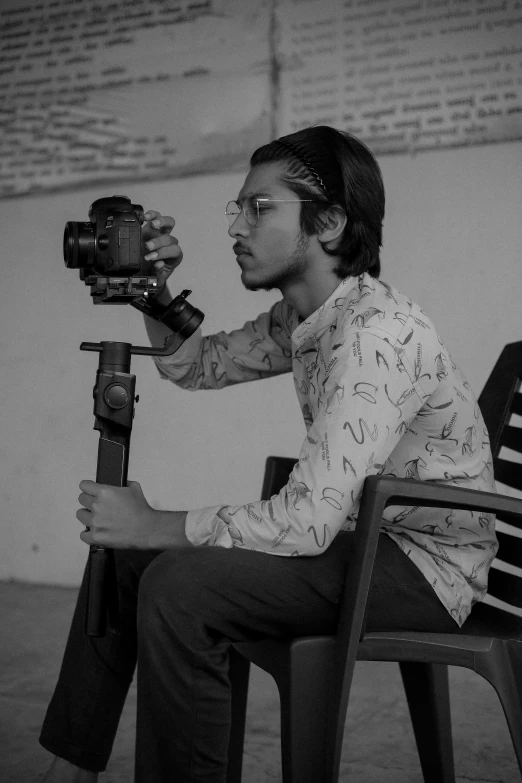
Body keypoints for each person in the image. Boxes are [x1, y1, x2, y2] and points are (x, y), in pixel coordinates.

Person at [40, 126, 497, 782]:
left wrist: (160, 522)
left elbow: (309, 520)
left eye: (260, 208)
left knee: (179, 584)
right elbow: (198, 366)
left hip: (424, 567)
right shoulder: (305, 318)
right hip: (367, 539)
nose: (237, 227)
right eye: (238, 208)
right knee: (130, 556)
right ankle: (69, 763)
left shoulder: (377, 335)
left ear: (330, 222)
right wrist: (154, 293)